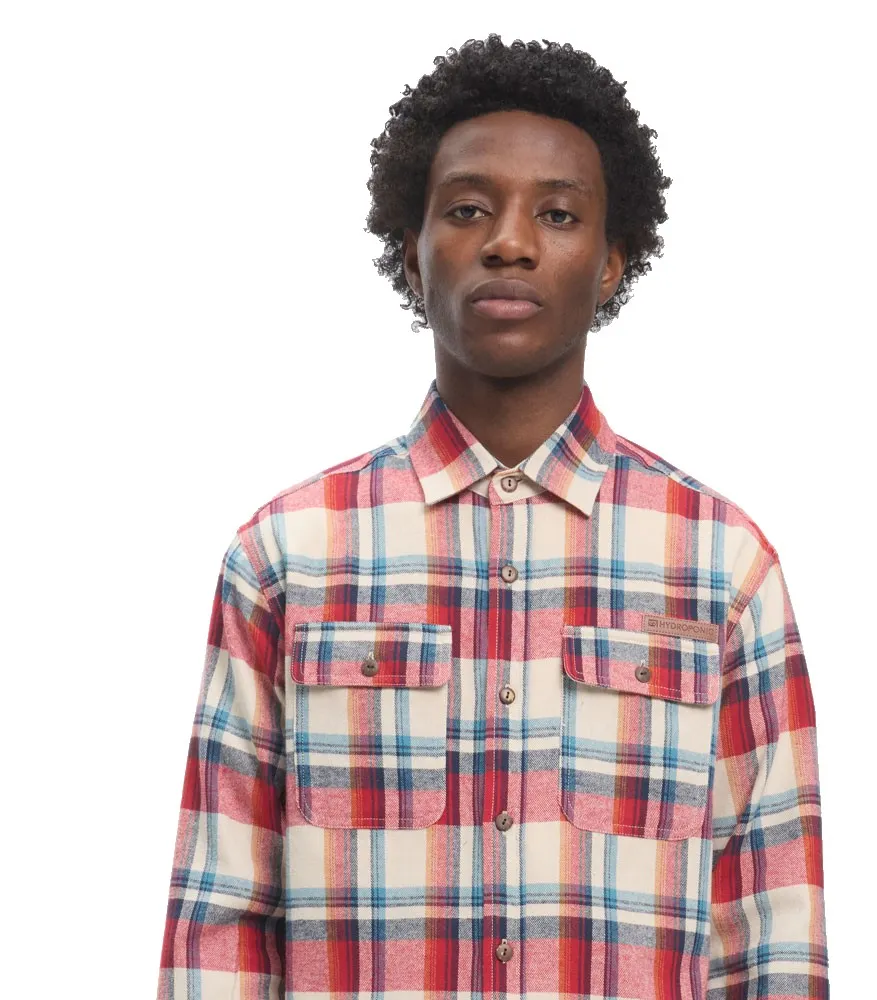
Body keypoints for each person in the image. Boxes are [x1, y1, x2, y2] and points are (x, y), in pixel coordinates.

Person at [157, 33, 829, 1000]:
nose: (510, 242)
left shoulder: (723, 567)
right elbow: (220, 920)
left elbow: (773, 927)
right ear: (412, 252)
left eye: (558, 214)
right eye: (468, 209)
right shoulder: (287, 558)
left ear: (611, 262)